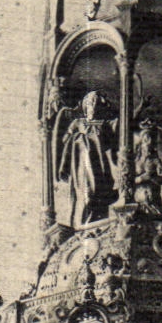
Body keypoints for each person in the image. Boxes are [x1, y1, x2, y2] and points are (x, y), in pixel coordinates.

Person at [57, 91, 117, 226]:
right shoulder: (78, 123)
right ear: (85, 106)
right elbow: (65, 139)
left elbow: (110, 144)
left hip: (99, 164)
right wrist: (80, 138)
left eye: (96, 104)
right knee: (86, 195)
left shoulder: (104, 125)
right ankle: (84, 224)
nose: (93, 107)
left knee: (99, 194)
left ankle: (97, 223)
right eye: (90, 104)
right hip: (81, 165)